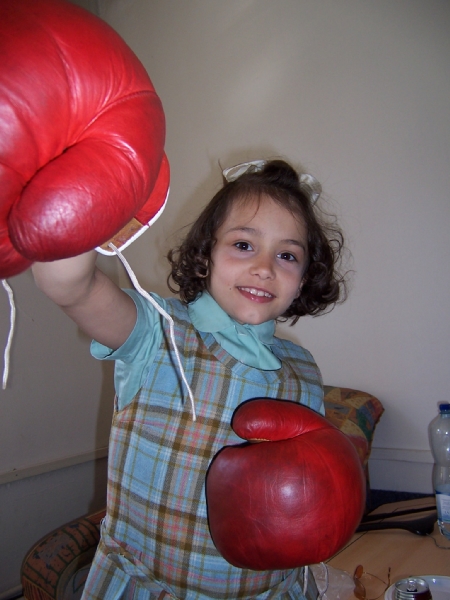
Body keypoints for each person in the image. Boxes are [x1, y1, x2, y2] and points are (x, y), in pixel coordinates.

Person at [32, 159, 347, 600]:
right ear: (207, 253)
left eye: (287, 255)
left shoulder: (305, 369)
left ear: (304, 278)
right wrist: (84, 180)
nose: (264, 267)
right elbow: (68, 284)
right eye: (243, 245)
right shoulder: (156, 331)